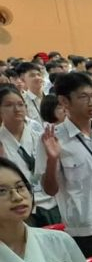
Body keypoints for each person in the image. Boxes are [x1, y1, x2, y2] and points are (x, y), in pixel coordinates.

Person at [37, 72, 92, 257]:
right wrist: (52, 160)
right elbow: (50, 190)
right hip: (85, 230)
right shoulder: (52, 138)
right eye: (83, 97)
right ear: (64, 101)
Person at [0, 85, 60, 226]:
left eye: (21, 104)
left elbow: (51, 181)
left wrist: (52, 159)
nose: (17, 109)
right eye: (9, 105)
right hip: (19, 207)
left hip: (50, 203)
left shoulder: (41, 136)